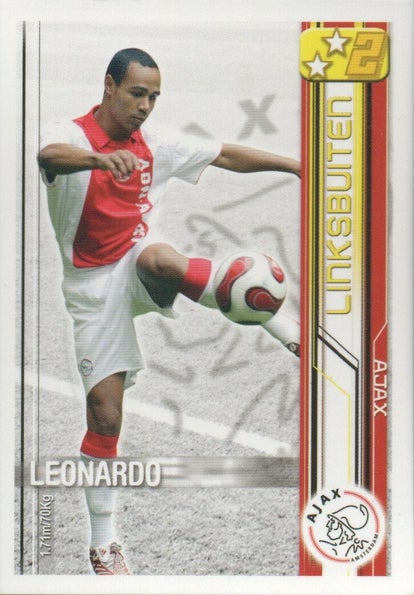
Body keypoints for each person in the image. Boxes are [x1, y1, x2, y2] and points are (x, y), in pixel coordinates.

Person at [38, 47, 300, 575]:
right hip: (92, 288)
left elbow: (225, 154)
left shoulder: (154, 143)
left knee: (159, 257)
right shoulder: (71, 136)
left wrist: (297, 167)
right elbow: (49, 157)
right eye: (137, 93)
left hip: (137, 259)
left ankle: (276, 319)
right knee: (105, 415)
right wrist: (98, 160)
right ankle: (104, 544)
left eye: (154, 97)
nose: (145, 106)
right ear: (109, 85)